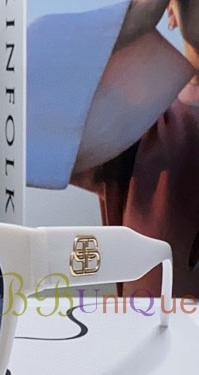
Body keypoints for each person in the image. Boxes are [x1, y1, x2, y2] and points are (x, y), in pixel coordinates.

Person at [27, 0, 199, 297]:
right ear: (170, 12)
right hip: (158, 325)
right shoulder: (136, 123)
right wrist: (130, 23)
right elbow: (9, 115)